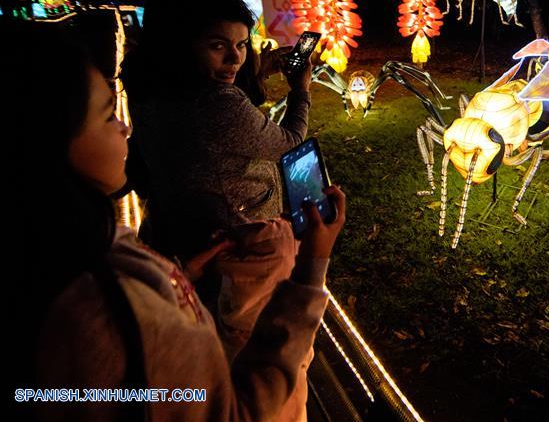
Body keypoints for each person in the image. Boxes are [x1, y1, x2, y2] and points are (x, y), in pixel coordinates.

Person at [7, 25, 345, 420]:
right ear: (43, 143)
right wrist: (310, 272)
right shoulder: (104, 319)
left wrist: (179, 272)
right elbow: (240, 413)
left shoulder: (68, 254)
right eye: (106, 116)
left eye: (240, 46)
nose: (126, 127)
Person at [120, 0, 312, 300]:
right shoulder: (215, 105)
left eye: (241, 44)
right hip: (236, 256)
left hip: (178, 239)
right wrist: (301, 91)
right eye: (218, 46)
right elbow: (290, 141)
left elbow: (219, 127)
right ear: (183, 44)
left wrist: (259, 72)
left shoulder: (150, 87)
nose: (235, 59)